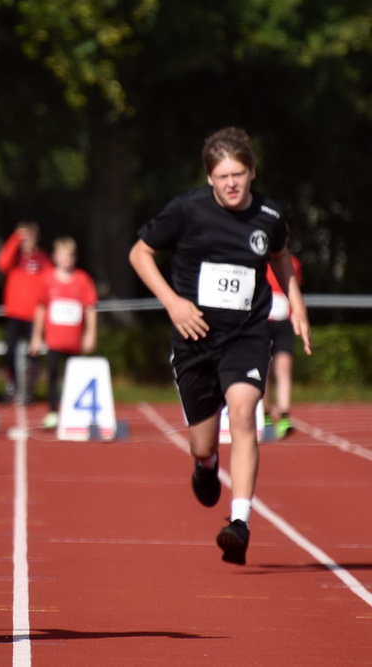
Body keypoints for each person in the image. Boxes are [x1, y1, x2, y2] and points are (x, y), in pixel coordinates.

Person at [129, 127, 310, 566]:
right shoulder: (187, 210)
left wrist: (296, 302)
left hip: (247, 334)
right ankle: (205, 465)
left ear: (252, 173)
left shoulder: (269, 215)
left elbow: (280, 256)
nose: (231, 183)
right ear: (210, 178)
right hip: (195, 339)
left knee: (246, 412)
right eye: (223, 175)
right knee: (203, 443)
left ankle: (240, 522)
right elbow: (139, 253)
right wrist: (174, 304)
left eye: (239, 174)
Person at [28, 236, 98, 429]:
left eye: (69, 256)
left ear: (74, 258)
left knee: (72, 376)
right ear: (55, 257)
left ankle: (72, 410)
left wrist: (90, 334)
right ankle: (52, 411)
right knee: (52, 374)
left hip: (74, 340)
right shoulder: (48, 278)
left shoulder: (83, 280)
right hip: (54, 340)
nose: (66, 260)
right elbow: (41, 308)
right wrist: (36, 336)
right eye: (61, 255)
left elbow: (90, 308)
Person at [0, 220, 51, 403]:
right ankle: (12, 384)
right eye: (24, 238)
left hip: (34, 315)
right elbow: (1, 264)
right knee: (10, 351)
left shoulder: (42, 259)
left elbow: (49, 283)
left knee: (34, 354)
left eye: (30, 237)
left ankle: (30, 389)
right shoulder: (14, 257)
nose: (27, 241)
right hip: (14, 314)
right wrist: (15, 238)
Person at [264, 253, 302, 439]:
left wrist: (297, 314)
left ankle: (285, 415)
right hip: (261, 321)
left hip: (283, 321)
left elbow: (294, 289)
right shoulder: (257, 259)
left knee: (284, 366)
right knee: (264, 370)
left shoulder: (293, 262)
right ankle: (265, 416)